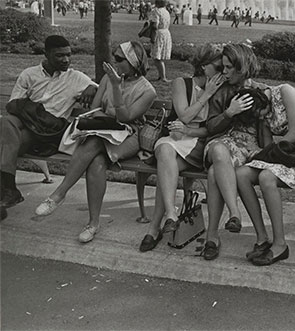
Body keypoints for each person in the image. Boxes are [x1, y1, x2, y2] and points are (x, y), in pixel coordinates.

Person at [34, 41, 156, 243]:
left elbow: (125, 117)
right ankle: (93, 224)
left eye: (119, 59)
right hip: (104, 131)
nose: (113, 62)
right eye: (114, 57)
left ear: (133, 62)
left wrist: (116, 87)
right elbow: (95, 107)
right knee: (97, 162)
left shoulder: (147, 90)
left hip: (130, 135)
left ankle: (59, 194)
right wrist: (102, 120)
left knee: (95, 143)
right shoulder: (108, 79)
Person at [139, 44, 225, 252]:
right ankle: (170, 215)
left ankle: (155, 226)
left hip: (197, 143)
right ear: (204, 67)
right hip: (175, 140)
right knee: (166, 156)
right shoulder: (182, 84)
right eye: (218, 66)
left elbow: (210, 129)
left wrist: (190, 131)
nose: (223, 71)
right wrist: (206, 94)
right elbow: (184, 115)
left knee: (165, 162)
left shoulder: (220, 91)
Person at [0, 35, 97, 208]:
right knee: (8, 122)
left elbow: (101, 90)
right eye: (59, 55)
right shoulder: (29, 74)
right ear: (46, 54)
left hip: (47, 133)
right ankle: (8, 190)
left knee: (5, 140)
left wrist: (92, 87)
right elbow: (13, 105)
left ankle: (9, 189)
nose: (66, 59)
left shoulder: (76, 78)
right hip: (26, 124)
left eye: (68, 54)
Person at [236, 84, 295, 266]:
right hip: (288, 152)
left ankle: (280, 245)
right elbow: (268, 144)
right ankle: (262, 239)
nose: (261, 117)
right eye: (257, 117)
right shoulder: (261, 111)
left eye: (260, 114)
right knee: (241, 174)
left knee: (266, 177)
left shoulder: (285, 91)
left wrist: (267, 153)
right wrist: (263, 138)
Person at [199, 44, 263, 260]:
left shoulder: (260, 91)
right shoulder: (222, 91)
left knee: (214, 174)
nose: (223, 71)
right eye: (223, 67)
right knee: (218, 150)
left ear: (242, 68)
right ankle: (235, 213)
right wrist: (229, 113)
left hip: (247, 149)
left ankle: (212, 237)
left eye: (228, 67)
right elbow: (210, 127)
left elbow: (282, 112)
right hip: (220, 142)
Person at [150, 0, 172, 83]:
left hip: (159, 33)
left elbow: (155, 25)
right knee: (160, 55)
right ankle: (160, 75)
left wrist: (152, 36)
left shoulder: (156, 11)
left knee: (157, 57)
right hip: (166, 32)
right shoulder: (166, 12)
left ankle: (163, 77)